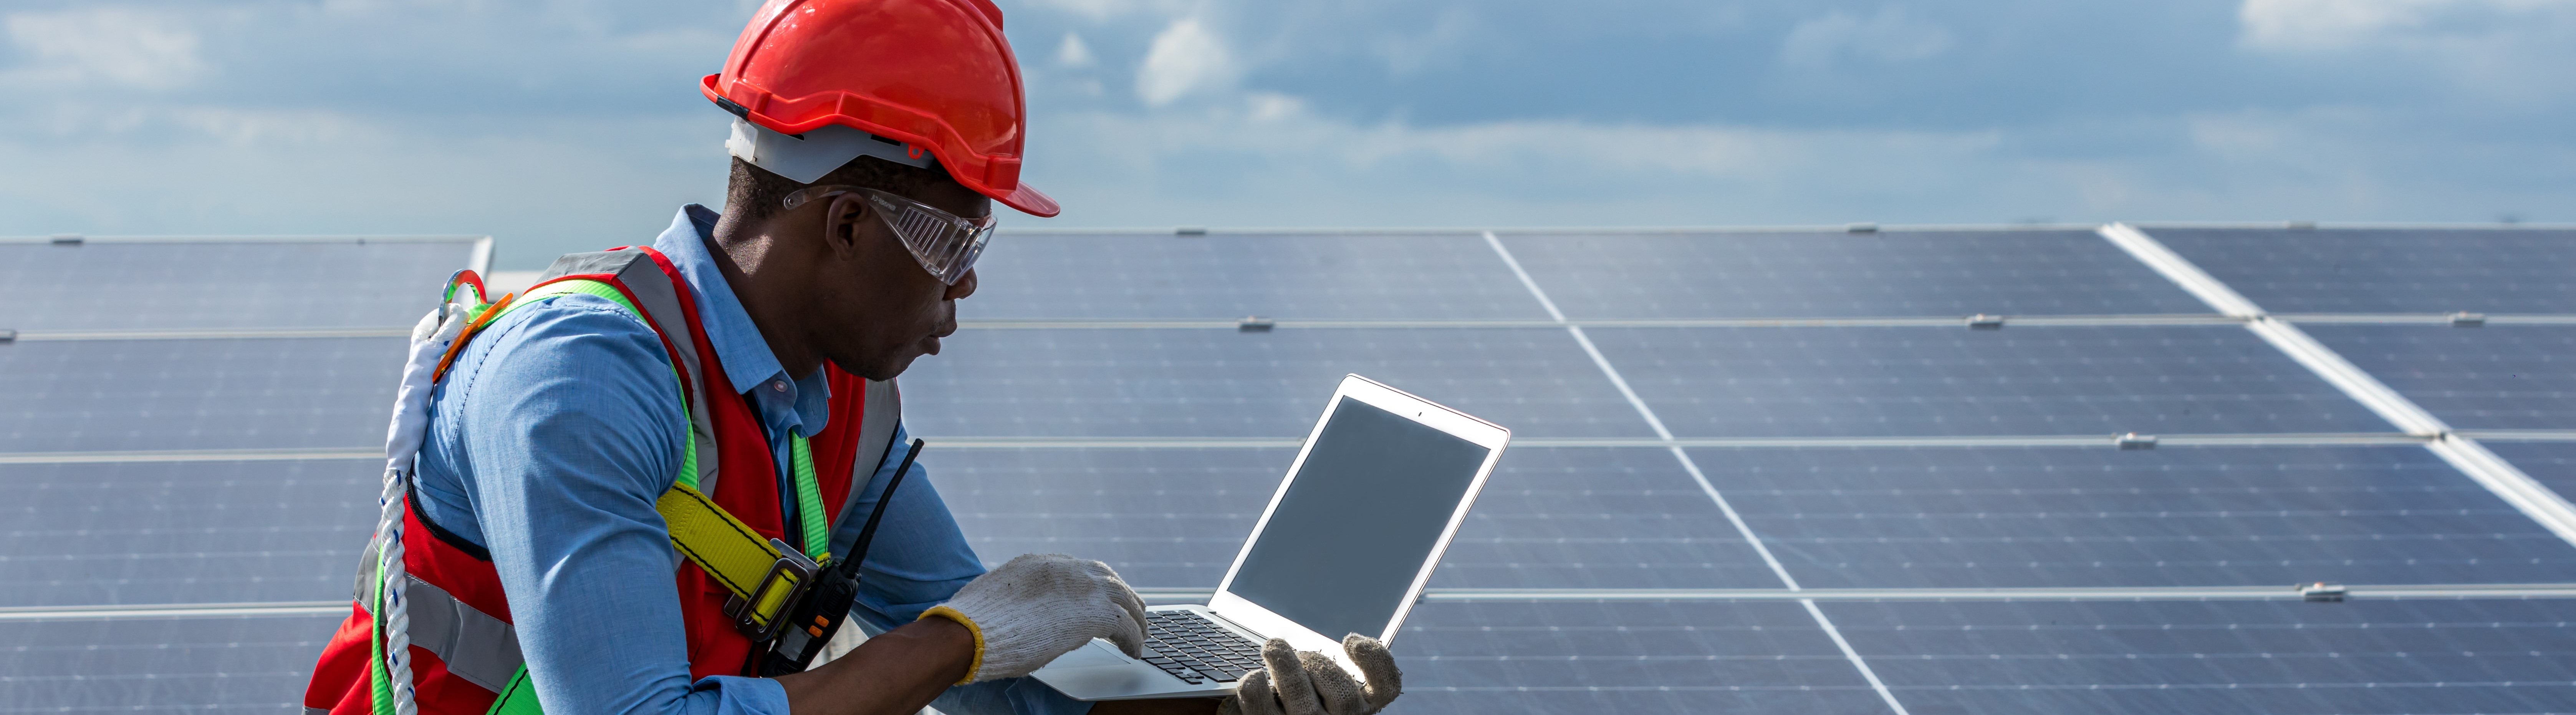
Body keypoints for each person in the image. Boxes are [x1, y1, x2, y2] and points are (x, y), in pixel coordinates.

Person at [302, 2, 1401, 715]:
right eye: (956, 241)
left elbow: (996, 694)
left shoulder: (838, 401)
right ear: (844, 225)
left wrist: (1241, 706)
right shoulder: (581, 380)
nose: (965, 286)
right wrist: (953, 644)